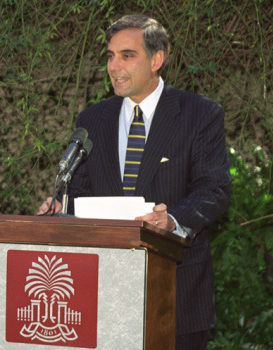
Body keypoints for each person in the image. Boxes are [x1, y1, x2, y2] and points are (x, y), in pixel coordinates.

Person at [37, 14, 231, 349]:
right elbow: (83, 192)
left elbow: (214, 190)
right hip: (102, 294)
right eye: (110, 56)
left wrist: (172, 220)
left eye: (127, 55)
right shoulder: (92, 119)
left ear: (157, 59)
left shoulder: (200, 114)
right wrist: (62, 206)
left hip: (176, 294)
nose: (114, 66)